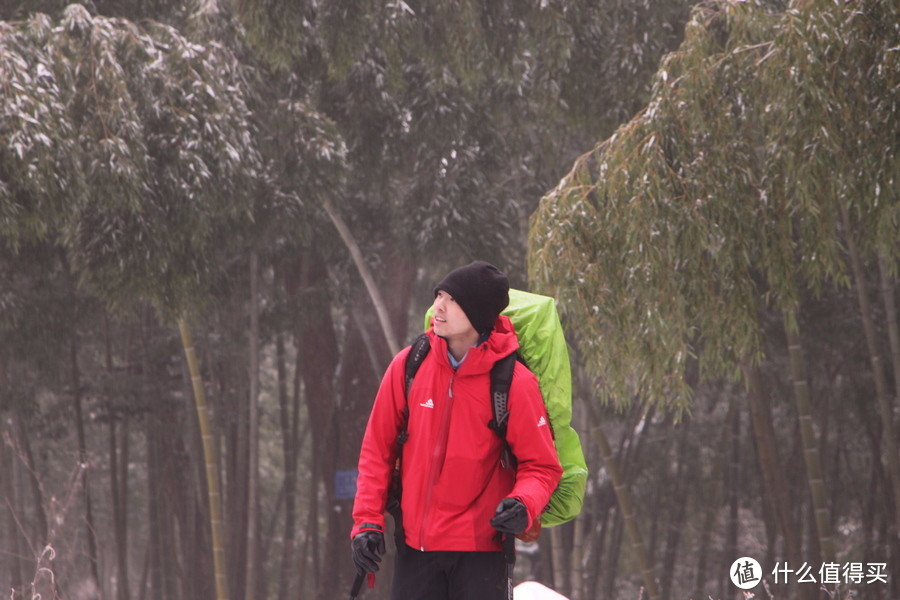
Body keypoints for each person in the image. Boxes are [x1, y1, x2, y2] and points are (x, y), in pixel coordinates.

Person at [350, 261, 563, 600]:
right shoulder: (409, 365)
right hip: (414, 550)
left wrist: (523, 503)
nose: (438, 306)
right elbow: (377, 451)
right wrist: (366, 523)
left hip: (482, 554)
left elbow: (542, 466)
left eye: (452, 299)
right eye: (439, 295)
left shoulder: (514, 383)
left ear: (478, 314)